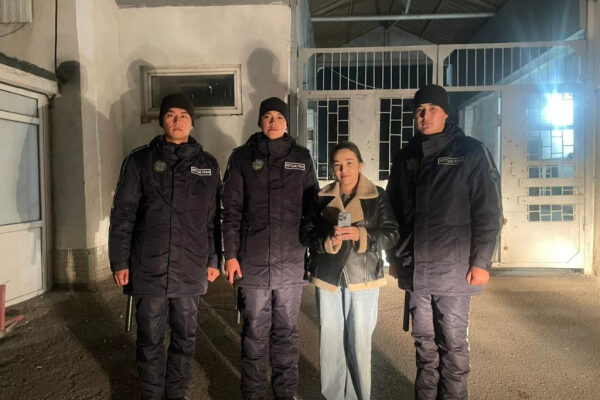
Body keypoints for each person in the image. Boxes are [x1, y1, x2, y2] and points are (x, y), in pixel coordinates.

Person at [386, 84, 502, 400]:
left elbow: (488, 211)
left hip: (455, 269)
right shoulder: (406, 156)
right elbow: (392, 210)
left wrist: (481, 262)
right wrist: (393, 257)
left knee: (452, 345)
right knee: (424, 345)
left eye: (432, 109)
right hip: (414, 268)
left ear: (446, 113)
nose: (425, 115)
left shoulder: (471, 152)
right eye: (419, 110)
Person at [109, 93, 221, 400]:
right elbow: (123, 213)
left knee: (185, 339)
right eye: (171, 115)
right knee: (149, 340)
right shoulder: (139, 161)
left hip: (191, 267)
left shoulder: (208, 165)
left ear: (192, 122)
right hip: (148, 267)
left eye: (184, 115)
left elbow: (213, 218)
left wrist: (214, 258)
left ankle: (177, 393)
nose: (177, 121)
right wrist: (120, 260)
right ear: (161, 120)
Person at [221, 97, 319, 400]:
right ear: (260, 121)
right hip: (252, 263)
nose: (273, 122)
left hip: (290, 263)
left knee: (286, 334)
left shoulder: (301, 158)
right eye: (268, 117)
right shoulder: (241, 158)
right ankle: (253, 394)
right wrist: (231, 255)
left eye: (279, 116)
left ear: (287, 122)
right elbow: (231, 210)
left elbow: (313, 209)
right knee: (254, 333)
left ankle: (285, 393)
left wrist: (313, 251)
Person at [300, 142, 399, 400]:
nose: (343, 170)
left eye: (349, 163)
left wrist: (362, 235)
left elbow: (392, 233)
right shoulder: (320, 197)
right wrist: (327, 240)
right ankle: (333, 396)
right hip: (329, 278)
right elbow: (306, 233)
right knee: (331, 343)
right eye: (337, 165)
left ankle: (358, 396)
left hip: (363, 278)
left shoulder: (377, 196)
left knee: (359, 343)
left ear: (361, 165)